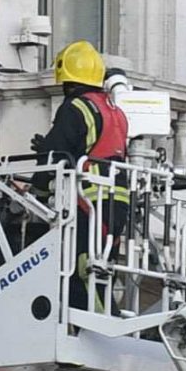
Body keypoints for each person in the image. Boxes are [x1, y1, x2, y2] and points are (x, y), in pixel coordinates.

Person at [31, 41, 130, 309]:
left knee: (81, 268)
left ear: (69, 83)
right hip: (116, 203)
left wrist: (36, 195)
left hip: (89, 202)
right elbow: (101, 148)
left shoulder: (76, 107)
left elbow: (52, 156)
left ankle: (103, 327)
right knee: (101, 266)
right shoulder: (116, 112)